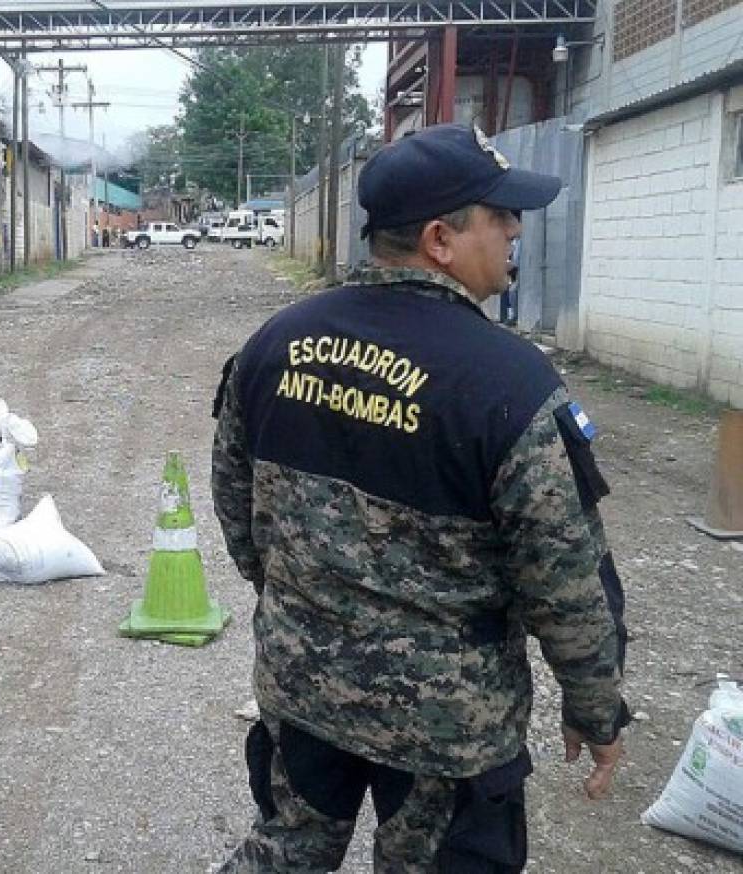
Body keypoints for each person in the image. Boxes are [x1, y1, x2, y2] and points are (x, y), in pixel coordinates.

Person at [210, 123, 630, 873]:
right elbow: (564, 579)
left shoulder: (275, 344)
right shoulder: (509, 384)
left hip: (304, 687)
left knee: (286, 852)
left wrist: (308, 605)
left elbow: (239, 515)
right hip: (447, 732)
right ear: (440, 238)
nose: (514, 231)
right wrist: (596, 707)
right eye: (500, 216)